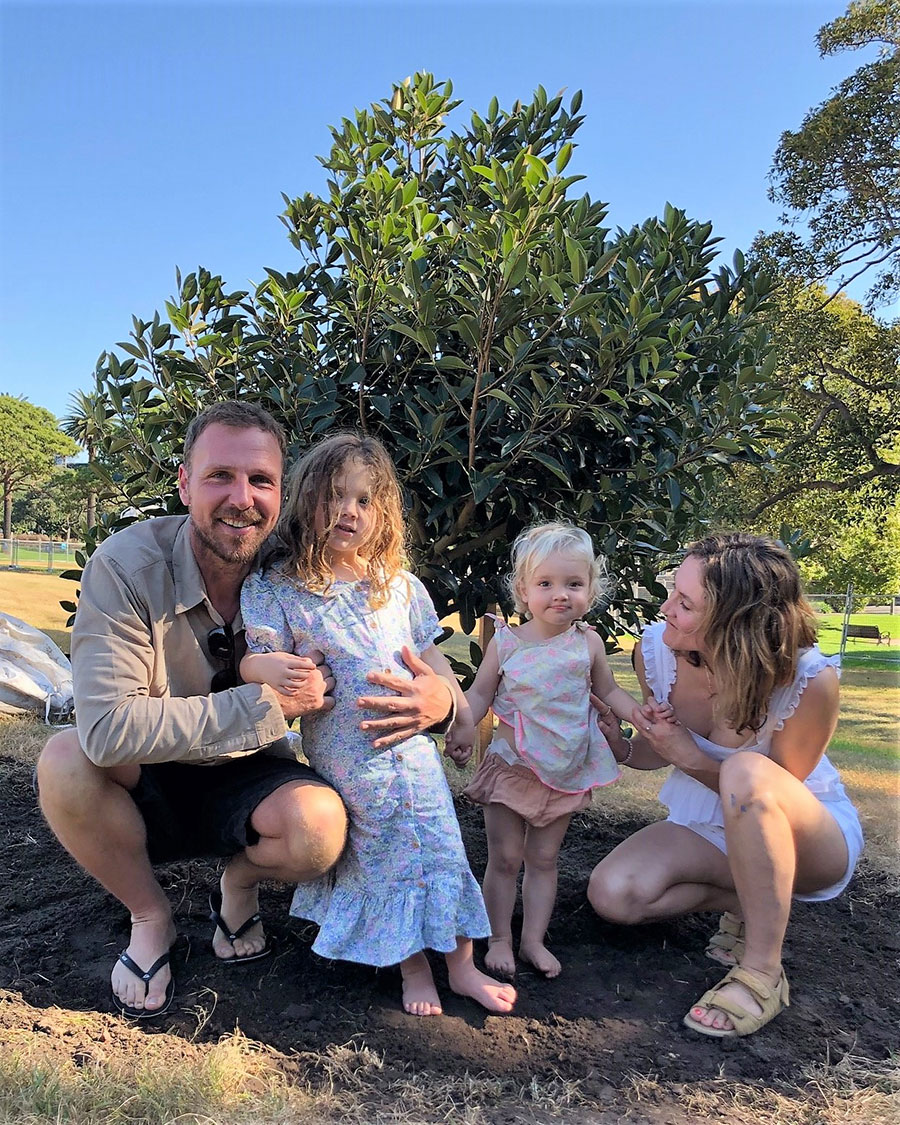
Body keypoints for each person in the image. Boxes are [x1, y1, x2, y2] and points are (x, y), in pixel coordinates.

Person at [35, 402, 456, 1020]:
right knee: (67, 758)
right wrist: (268, 704)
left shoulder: (307, 565)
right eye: (219, 477)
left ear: (284, 494)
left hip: (248, 773)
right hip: (146, 772)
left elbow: (402, 639)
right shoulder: (126, 567)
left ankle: (238, 883)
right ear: (183, 483)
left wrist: (442, 702)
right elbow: (106, 731)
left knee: (317, 824)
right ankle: (151, 916)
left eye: (260, 481)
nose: (242, 498)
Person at [239, 432, 517, 1018]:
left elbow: (431, 657)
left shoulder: (399, 586)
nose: (348, 511)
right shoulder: (279, 585)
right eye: (335, 496)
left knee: (441, 846)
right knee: (381, 852)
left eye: (364, 501)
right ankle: (411, 965)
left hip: (413, 752)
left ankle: (462, 967)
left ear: (383, 512)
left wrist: (461, 712)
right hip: (351, 755)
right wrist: (273, 668)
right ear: (307, 501)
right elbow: (253, 657)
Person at [587, 533, 864, 1038]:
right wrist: (626, 744)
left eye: (685, 603)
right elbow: (657, 752)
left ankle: (762, 972)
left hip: (808, 841)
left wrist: (689, 756)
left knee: (745, 771)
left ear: (735, 620)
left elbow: (767, 797)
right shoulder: (655, 653)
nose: (666, 608)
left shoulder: (808, 679)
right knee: (615, 895)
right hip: (710, 826)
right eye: (673, 591)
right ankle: (745, 900)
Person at [445, 523, 672, 980]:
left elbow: (608, 691)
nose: (560, 594)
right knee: (505, 859)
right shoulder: (506, 643)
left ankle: (533, 939)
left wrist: (641, 713)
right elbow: (480, 694)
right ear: (523, 591)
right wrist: (459, 723)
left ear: (591, 589)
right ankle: (500, 938)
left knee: (544, 859)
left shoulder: (586, 643)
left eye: (574, 584)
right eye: (546, 584)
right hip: (512, 769)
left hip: (567, 768)